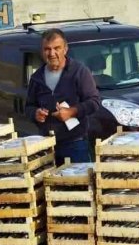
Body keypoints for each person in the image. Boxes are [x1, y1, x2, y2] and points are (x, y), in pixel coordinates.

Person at [25, 29, 100, 165]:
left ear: (65, 49)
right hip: (46, 145)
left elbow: (94, 102)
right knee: (49, 179)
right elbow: (29, 106)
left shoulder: (79, 72)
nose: (52, 53)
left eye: (56, 48)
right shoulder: (36, 78)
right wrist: (35, 113)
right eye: (47, 49)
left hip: (75, 144)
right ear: (42, 51)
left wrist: (72, 112)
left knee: (79, 179)